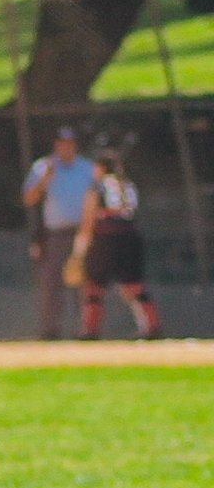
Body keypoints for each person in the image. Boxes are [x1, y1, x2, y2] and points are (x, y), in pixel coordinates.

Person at [77, 139, 163, 341]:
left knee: (94, 286)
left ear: (100, 167)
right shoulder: (128, 185)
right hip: (130, 237)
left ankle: (90, 330)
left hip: (106, 237)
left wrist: (79, 250)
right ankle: (151, 326)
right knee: (134, 286)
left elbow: (89, 219)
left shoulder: (97, 186)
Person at [21, 122, 95, 340]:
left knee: (83, 283)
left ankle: (86, 329)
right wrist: (44, 180)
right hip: (56, 234)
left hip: (83, 233)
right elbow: (28, 199)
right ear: (56, 145)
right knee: (51, 283)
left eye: (70, 143)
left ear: (76, 145)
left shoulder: (87, 168)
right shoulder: (44, 167)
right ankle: (49, 330)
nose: (65, 147)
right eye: (61, 143)